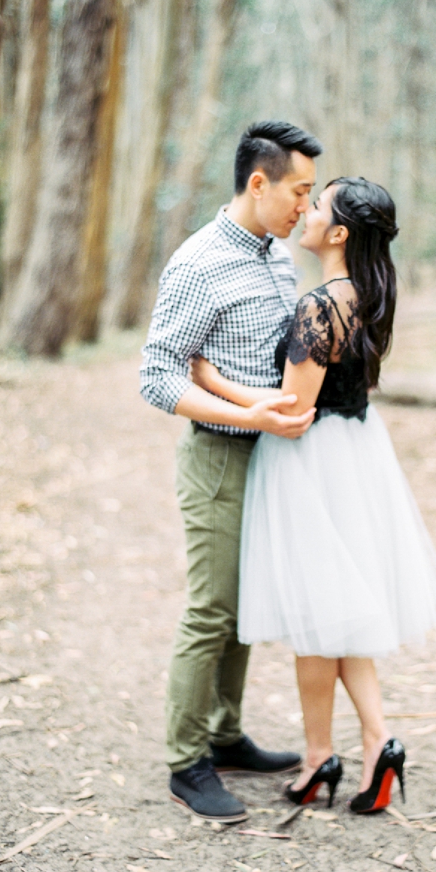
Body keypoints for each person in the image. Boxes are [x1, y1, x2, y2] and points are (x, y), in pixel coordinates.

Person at [189, 177, 436, 814]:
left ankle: (317, 759)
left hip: (312, 463)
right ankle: (378, 739)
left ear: (338, 235)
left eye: (318, 206)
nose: (303, 210)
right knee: (344, 613)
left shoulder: (320, 305)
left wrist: (209, 377)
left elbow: (294, 407)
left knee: (316, 622)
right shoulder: (369, 291)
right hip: (355, 454)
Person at [139, 120, 324, 823]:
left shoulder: (279, 255)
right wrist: (251, 416)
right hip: (219, 456)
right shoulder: (198, 262)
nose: (305, 208)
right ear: (259, 182)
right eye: (298, 193)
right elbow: (156, 375)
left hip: (273, 455)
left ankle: (225, 734)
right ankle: (187, 762)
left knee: (247, 607)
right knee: (211, 608)